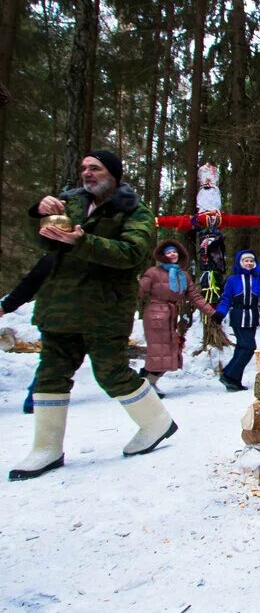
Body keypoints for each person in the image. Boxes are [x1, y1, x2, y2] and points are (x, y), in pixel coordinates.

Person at [10, 150, 177, 481]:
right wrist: (37, 215)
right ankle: (46, 448)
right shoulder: (68, 204)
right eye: (84, 168)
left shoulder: (134, 212)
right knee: (50, 375)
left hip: (104, 309)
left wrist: (83, 241)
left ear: (113, 175)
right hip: (60, 305)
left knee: (111, 373)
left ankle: (156, 422)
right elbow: (41, 243)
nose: (87, 173)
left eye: (95, 168)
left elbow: (131, 254)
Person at [138, 241, 217, 395]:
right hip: (155, 314)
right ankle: (148, 384)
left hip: (171, 315)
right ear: (163, 255)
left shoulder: (183, 275)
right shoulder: (154, 272)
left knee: (170, 350)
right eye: (169, 252)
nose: (172, 254)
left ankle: (146, 380)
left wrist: (212, 312)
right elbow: (139, 291)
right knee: (160, 350)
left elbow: (195, 296)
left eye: (175, 252)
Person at [0, 254, 55, 413]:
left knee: (54, 361)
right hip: (54, 319)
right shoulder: (53, 258)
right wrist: (7, 305)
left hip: (85, 318)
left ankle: (37, 397)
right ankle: (35, 400)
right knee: (53, 360)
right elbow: (30, 283)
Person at [212, 250, 260, 391]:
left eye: (251, 261)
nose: (249, 263)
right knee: (248, 347)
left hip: (252, 316)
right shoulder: (233, 280)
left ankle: (233, 380)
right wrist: (220, 313)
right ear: (240, 262)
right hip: (238, 316)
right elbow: (226, 299)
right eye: (246, 261)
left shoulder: (257, 280)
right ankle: (229, 375)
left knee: (242, 348)